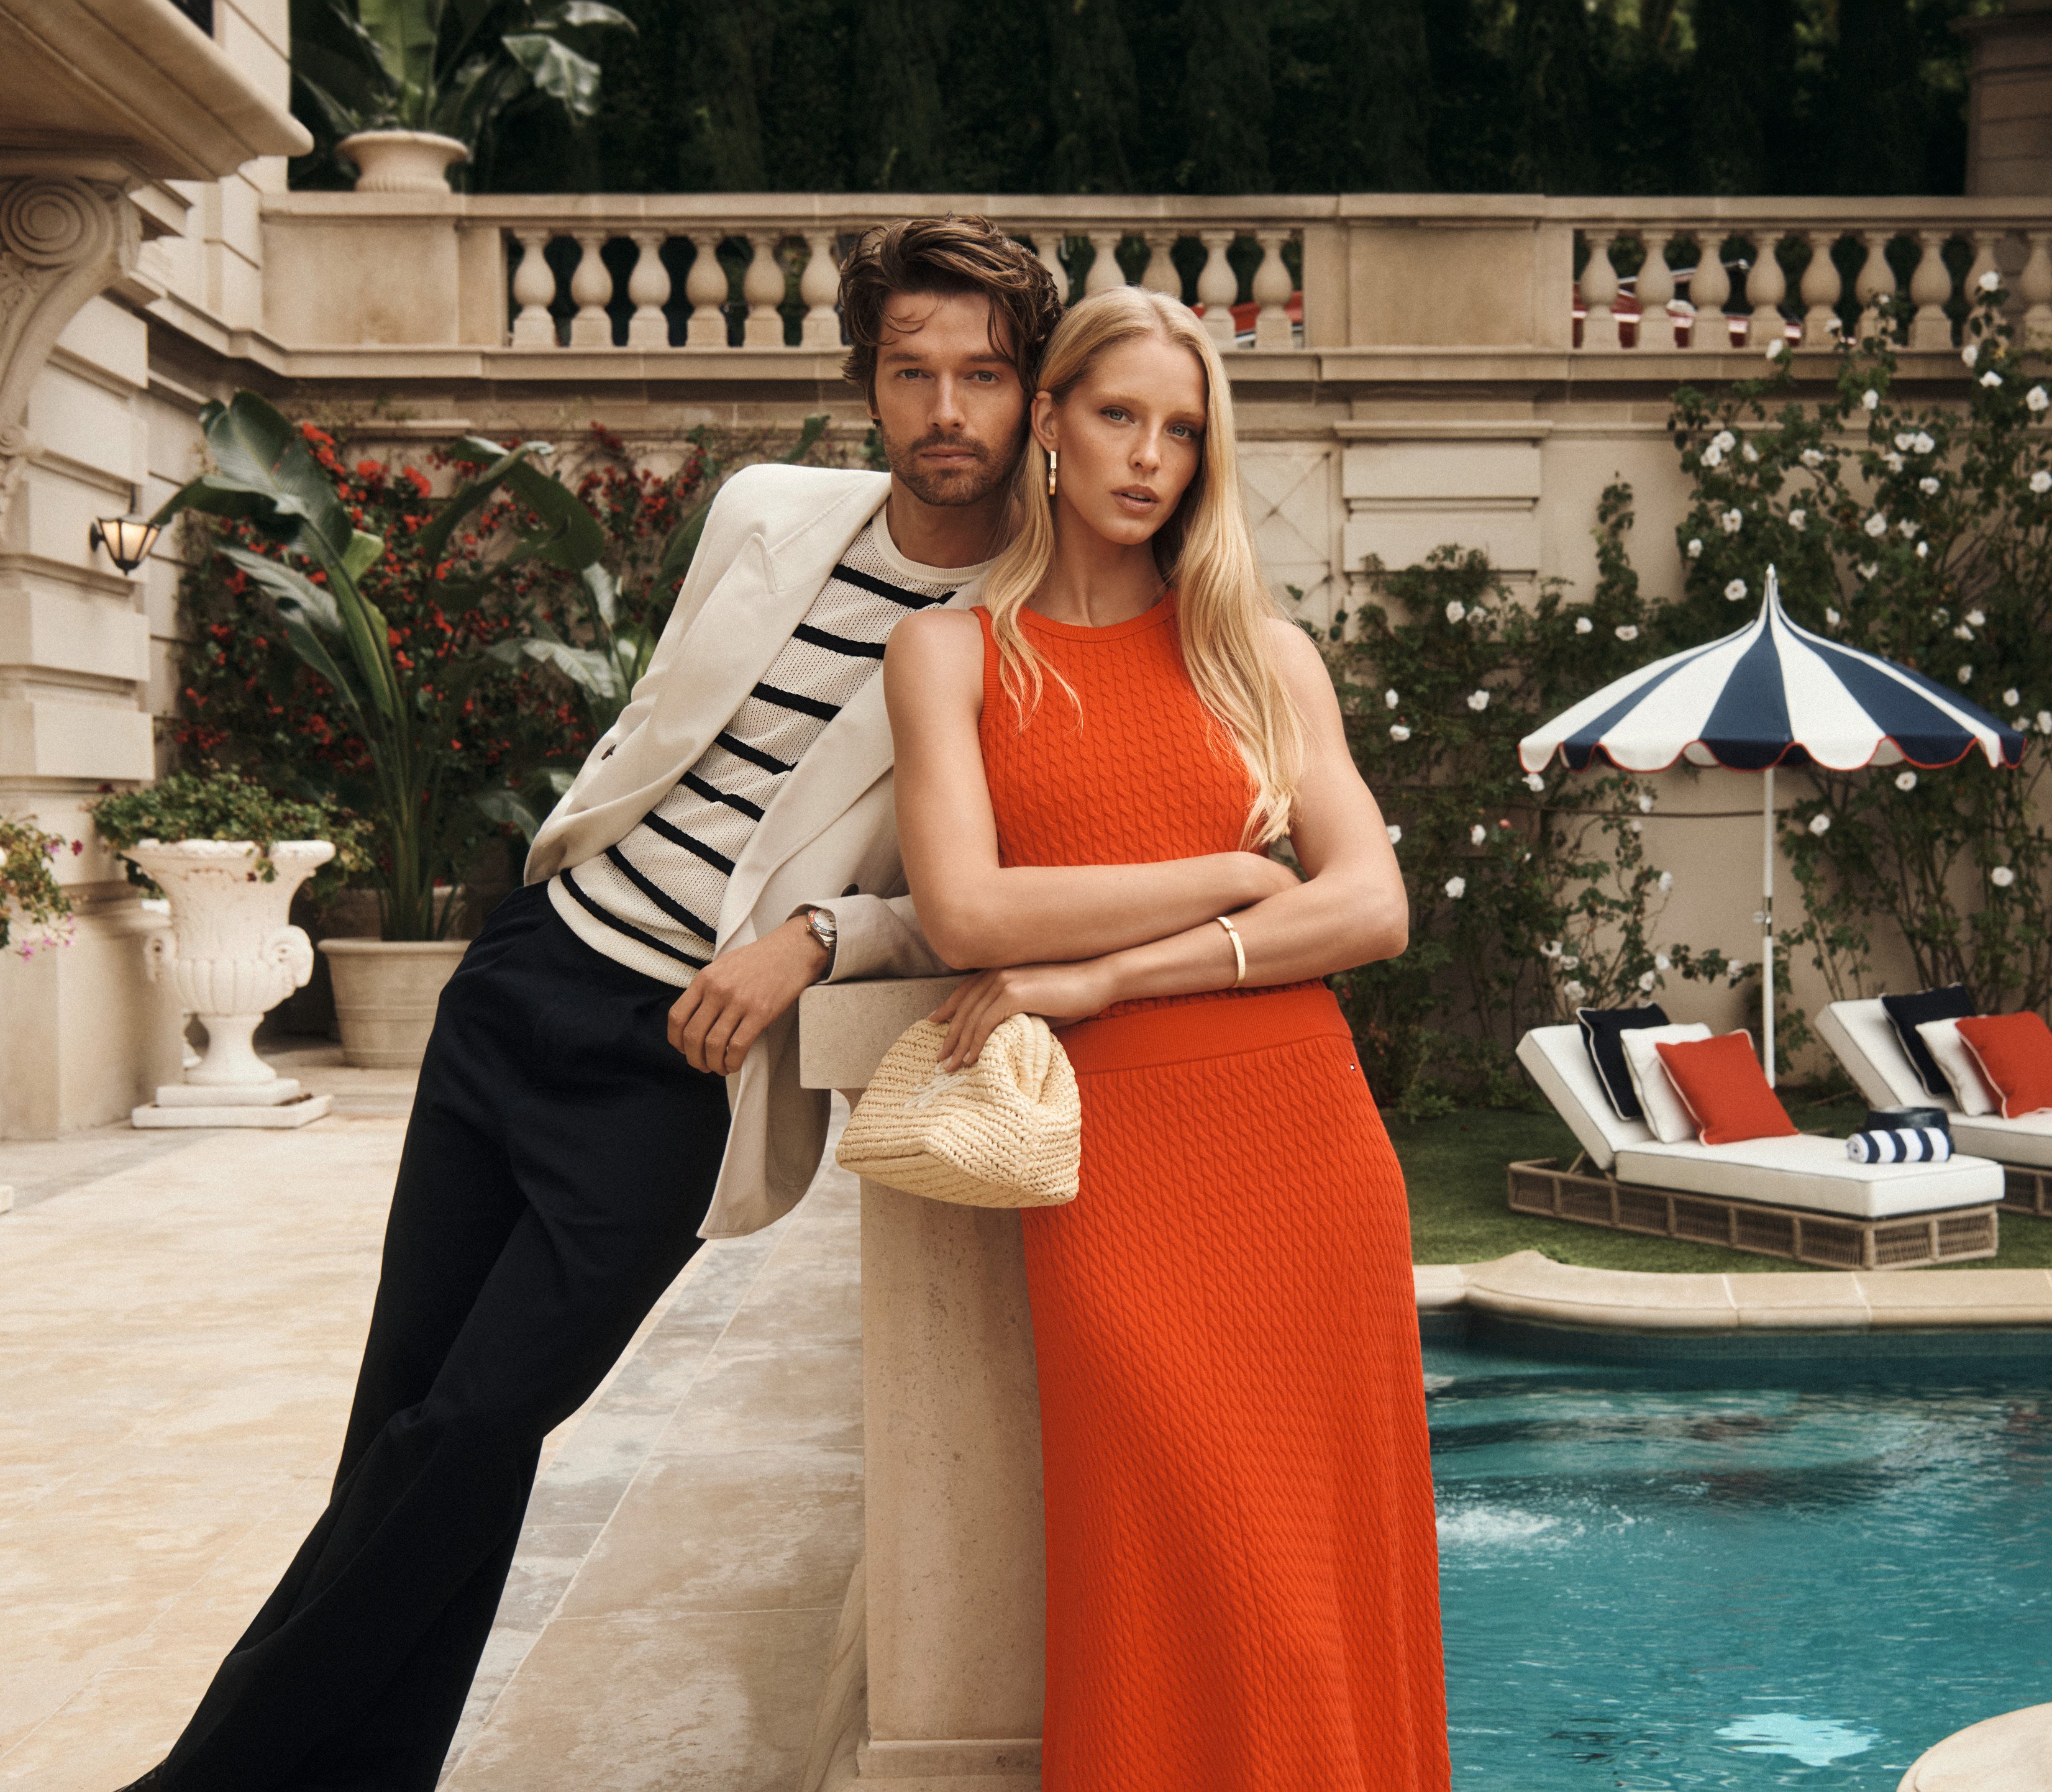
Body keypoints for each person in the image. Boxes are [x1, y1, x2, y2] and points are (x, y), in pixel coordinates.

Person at [120, 215, 1062, 1792]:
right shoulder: (768, 511)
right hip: (533, 978)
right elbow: (660, 718)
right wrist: (542, 898)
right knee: (402, 1426)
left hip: (677, 1064)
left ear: (1033, 393)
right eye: (914, 371)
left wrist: (820, 935)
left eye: (983, 373)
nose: (946, 410)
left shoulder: (1030, 625)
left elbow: (1000, 879)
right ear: (868, 380)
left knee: (478, 1429)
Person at [883, 284, 1451, 1790]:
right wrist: (1229, 876)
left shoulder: (1262, 657)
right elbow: (967, 915)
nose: (1147, 457)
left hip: (1303, 1146)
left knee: (1312, 1604)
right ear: (1050, 427)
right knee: (1177, 1557)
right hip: (1118, 1179)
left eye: (1181, 432)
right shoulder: (946, 656)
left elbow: (1374, 909)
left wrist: (1116, 977)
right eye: (1117, 416)